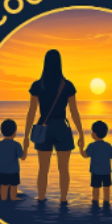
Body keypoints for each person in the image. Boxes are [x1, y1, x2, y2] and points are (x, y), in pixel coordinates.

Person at [23, 48, 85, 202]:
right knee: (64, 169)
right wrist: (81, 133)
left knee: (43, 169)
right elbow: (74, 112)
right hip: (62, 128)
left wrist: (25, 135)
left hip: (43, 127)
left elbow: (31, 112)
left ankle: (41, 198)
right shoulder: (67, 85)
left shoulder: (38, 85)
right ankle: (63, 200)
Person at [0, 118, 25, 202]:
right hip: (14, 171)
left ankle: (3, 198)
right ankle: (13, 198)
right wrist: (25, 147)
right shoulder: (16, 145)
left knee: (3, 186)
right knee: (14, 186)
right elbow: (22, 157)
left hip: (2, 171)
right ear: (15, 132)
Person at [84, 121, 112, 207]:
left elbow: (85, 155)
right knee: (106, 187)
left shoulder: (92, 146)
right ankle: (106, 202)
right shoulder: (108, 145)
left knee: (96, 188)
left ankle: (95, 202)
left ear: (94, 134)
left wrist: (80, 148)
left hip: (95, 171)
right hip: (106, 171)